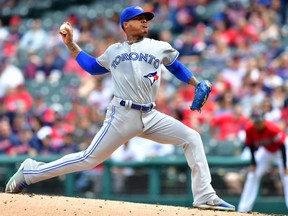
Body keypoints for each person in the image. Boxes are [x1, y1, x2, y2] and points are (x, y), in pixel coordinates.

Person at [5, 6, 235, 211]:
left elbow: (176, 67)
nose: (145, 21)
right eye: (139, 18)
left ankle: (205, 195)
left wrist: (196, 83)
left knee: (192, 137)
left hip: (150, 114)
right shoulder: (113, 50)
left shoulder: (159, 47)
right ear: (126, 24)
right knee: (89, 159)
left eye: (147, 18)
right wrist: (70, 44)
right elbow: (93, 68)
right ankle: (30, 171)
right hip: (122, 115)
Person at [238, 110, 288, 212]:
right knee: (252, 174)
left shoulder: (272, 128)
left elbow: (282, 146)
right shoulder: (249, 128)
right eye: (256, 122)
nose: (258, 124)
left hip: (282, 150)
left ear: (263, 121)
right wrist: (254, 163)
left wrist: (284, 166)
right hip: (267, 151)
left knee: (286, 177)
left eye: (259, 121)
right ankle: (243, 210)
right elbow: (250, 145)